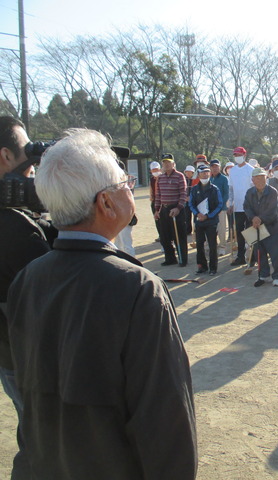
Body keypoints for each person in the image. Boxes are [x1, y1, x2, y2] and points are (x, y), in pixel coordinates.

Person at [7, 129, 197, 479]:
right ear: (105, 203)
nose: (131, 189)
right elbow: (166, 425)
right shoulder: (138, 289)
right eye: (125, 182)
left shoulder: (28, 278)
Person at [0, 116, 57, 478]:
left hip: (12, 352)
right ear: (5, 155)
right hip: (25, 357)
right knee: (45, 443)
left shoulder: (15, 215)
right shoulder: (12, 226)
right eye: (28, 149)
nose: (33, 157)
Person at [244, 167, 278, 287]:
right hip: (256, 227)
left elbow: (272, 210)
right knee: (259, 252)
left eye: (262, 177)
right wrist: (253, 218)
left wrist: (259, 218)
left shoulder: (272, 191)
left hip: (271, 226)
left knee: (275, 253)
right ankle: (263, 275)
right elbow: (247, 207)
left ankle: (277, 276)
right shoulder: (249, 192)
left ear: (266, 178)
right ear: (253, 180)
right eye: (257, 178)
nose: (260, 180)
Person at [154, 154, 189, 266]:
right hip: (164, 209)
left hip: (176, 209)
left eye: (169, 162)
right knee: (165, 237)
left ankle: (182, 259)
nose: (166, 165)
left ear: (173, 164)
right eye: (164, 163)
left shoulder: (179, 176)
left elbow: (183, 194)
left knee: (179, 236)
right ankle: (170, 259)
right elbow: (158, 195)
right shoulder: (161, 177)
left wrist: (178, 208)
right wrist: (156, 210)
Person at [190, 164, 223, 275]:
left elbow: (220, 205)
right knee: (199, 245)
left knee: (212, 245)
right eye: (203, 172)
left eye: (207, 172)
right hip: (199, 221)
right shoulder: (194, 189)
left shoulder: (215, 189)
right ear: (198, 174)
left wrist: (208, 216)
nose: (205, 174)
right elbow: (191, 204)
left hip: (211, 222)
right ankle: (202, 266)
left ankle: (213, 268)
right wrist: (197, 214)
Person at [228, 146, 255, 266]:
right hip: (237, 207)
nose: (237, 157)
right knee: (239, 232)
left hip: (250, 207)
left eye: (239, 155)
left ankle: (252, 257)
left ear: (244, 155)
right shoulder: (232, 171)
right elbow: (231, 189)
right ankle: (241, 256)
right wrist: (230, 203)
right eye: (235, 155)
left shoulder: (250, 169)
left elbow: (254, 189)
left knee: (250, 232)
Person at [210, 159, 229, 256]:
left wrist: (220, 205)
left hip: (221, 208)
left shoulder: (224, 178)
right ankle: (213, 246)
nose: (215, 168)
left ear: (220, 167)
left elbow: (226, 193)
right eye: (213, 166)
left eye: (216, 166)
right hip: (210, 209)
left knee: (221, 228)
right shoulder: (209, 179)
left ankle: (222, 247)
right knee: (212, 228)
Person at [149, 160, 162, 242]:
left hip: (162, 201)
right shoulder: (151, 179)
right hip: (154, 201)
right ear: (151, 171)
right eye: (154, 170)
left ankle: (166, 236)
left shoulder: (163, 177)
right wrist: (151, 196)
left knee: (163, 220)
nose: (155, 171)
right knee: (157, 220)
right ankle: (160, 235)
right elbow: (151, 188)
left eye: (156, 170)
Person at [183, 164, 196, 235]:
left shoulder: (195, 180)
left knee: (195, 216)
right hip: (186, 201)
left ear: (193, 173)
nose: (188, 173)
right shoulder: (184, 180)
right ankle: (188, 230)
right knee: (187, 216)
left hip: (193, 201)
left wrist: (191, 197)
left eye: (189, 172)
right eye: (187, 172)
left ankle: (196, 229)